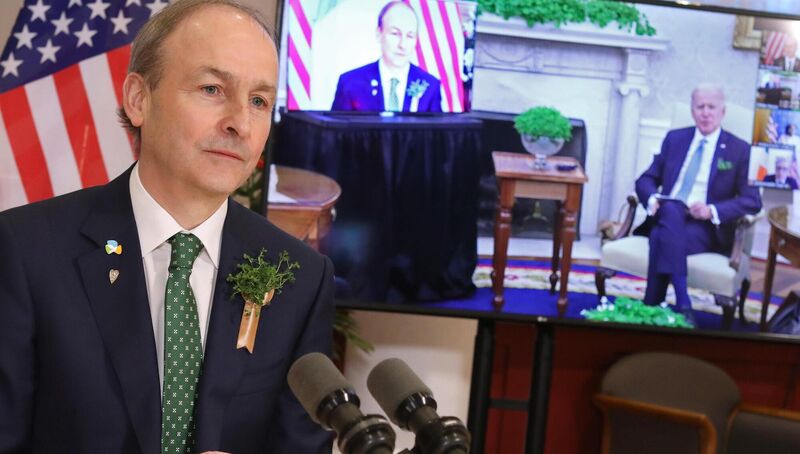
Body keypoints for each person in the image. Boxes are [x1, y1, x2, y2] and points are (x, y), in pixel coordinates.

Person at [0, 1, 334, 453]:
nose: (239, 122)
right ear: (139, 99)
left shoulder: (300, 277)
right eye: (213, 88)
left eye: (259, 101)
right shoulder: (25, 251)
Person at [635, 84, 761, 323]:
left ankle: (652, 303)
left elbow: (752, 200)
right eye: (700, 107)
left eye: (711, 107)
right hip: (670, 215)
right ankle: (682, 301)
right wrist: (652, 199)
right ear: (692, 111)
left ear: (722, 112)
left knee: (659, 237)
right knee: (671, 207)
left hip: (705, 228)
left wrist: (711, 210)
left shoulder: (739, 150)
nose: (706, 113)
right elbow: (647, 178)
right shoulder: (675, 139)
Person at [331, 0, 442, 112]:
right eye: (395, 34)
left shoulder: (430, 86)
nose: (402, 45)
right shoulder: (351, 83)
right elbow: (336, 129)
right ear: (379, 34)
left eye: (410, 36)